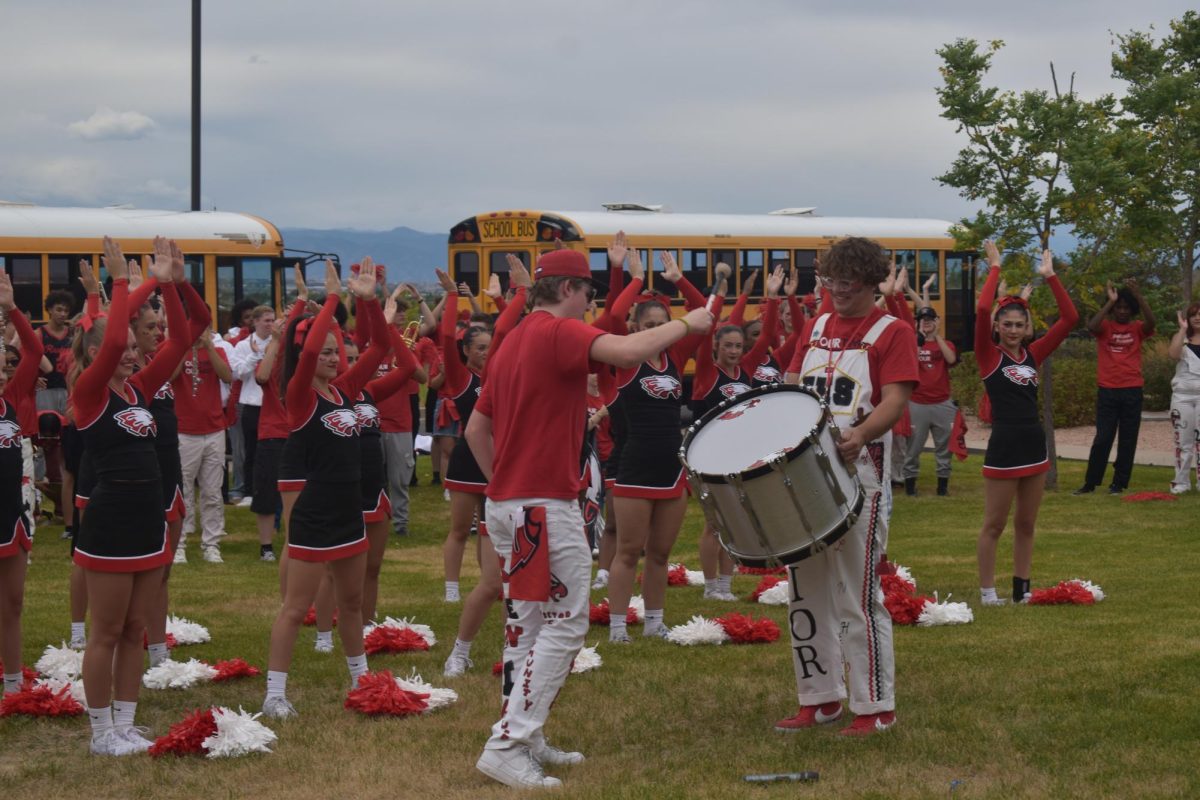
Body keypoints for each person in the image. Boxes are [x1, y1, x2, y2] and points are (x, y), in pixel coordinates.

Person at [466, 248, 713, 789]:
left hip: (510, 503)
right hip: (542, 504)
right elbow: (628, 350)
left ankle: (523, 734)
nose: (590, 305)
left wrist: (503, 484)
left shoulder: (509, 345)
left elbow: (474, 432)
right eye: (589, 295)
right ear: (571, 291)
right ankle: (507, 742)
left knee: (528, 624)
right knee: (565, 623)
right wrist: (688, 324)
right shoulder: (555, 331)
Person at [780, 235, 917, 737]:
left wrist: (860, 435)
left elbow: (896, 399)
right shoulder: (816, 324)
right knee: (803, 590)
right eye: (831, 281)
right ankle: (818, 698)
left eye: (848, 284)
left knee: (857, 595)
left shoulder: (892, 330)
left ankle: (876, 705)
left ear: (871, 284)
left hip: (860, 472)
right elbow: (794, 379)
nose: (837, 291)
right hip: (804, 471)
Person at [72, 236, 187, 755]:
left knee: (136, 627)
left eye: (138, 353)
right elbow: (116, 340)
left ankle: (125, 722)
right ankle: (100, 733)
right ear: (94, 355)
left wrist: (170, 285)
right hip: (111, 519)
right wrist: (122, 283)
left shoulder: (138, 389)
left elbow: (182, 342)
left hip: (148, 520)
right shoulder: (89, 394)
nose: (133, 355)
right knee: (107, 630)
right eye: (124, 351)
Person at [261, 259, 383, 719]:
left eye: (338, 352)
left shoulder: (344, 391)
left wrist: (367, 302)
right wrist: (331, 301)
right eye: (327, 352)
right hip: (315, 512)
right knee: (296, 609)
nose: (332, 357)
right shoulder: (299, 394)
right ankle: (275, 694)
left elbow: (382, 347)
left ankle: (361, 679)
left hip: (349, 510)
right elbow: (308, 354)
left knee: (350, 604)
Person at [605, 250, 709, 643]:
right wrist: (630, 278)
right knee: (628, 551)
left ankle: (655, 621)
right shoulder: (626, 358)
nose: (656, 331)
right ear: (636, 328)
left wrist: (678, 279)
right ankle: (618, 626)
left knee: (661, 554)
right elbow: (614, 316)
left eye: (662, 325)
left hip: (671, 463)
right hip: (635, 464)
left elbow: (701, 314)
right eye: (648, 325)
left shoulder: (675, 355)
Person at [974, 243, 1078, 605]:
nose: (1014, 330)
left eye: (1020, 325)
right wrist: (995, 268)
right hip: (1004, 444)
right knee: (994, 524)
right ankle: (988, 592)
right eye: (1008, 324)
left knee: (1027, 524)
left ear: (1027, 327)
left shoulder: (1035, 354)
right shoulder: (989, 355)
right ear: (998, 327)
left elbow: (1070, 320)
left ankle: (1022, 589)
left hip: (1034, 443)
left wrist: (1051, 277)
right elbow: (985, 306)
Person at [691, 263, 781, 600]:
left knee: (736, 521)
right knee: (714, 523)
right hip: (709, 455)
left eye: (738, 346)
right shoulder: (706, 374)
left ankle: (726, 586)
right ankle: (711, 586)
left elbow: (768, 336)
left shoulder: (745, 370)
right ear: (716, 347)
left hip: (740, 454)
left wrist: (771, 298)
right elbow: (704, 334)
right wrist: (719, 294)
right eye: (727, 345)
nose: (733, 351)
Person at [1, 271, 43, 696]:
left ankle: (13, 685)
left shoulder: (11, 400)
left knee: (12, 603)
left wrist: (11, 308)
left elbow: (34, 349)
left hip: (11, 514)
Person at [1075, 280, 1155, 496]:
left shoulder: (1137, 328)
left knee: (1127, 440)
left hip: (1132, 391)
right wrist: (1109, 302)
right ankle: (1090, 483)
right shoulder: (1105, 328)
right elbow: (1091, 326)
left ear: (1132, 310)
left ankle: (1119, 484)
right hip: (1108, 391)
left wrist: (1139, 296)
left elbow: (1151, 322)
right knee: (1102, 438)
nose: (1121, 311)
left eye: (1125, 307)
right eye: (1118, 307)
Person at [174, 321, 232, 563]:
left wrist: (208, 347)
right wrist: (182, 348)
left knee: (212, 490)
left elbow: (228, 376)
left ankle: (211, 543)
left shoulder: (217, 351)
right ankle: (179, 544)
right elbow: (169, 376)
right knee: (183, 489)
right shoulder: (177, 351)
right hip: (185, 429)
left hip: (214, 428)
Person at [901, 305, 959, 496]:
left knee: (944, 448)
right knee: (913, 448)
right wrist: (919, 338)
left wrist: (937, 334)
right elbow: (909, 363)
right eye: (922, 320)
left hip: (942, 402)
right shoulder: (913, 343)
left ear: (936, 321)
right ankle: (910, 486)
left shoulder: (946, 344)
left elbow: (951, 359)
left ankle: (942, 487)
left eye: (930, 319)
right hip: (917, 402)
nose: (926, 323)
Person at [1168, 303, 1200, 493]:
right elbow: (1173, 354)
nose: (1197, 318)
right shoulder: (1182, 340)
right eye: (1193, 315)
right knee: (1183, 441)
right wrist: (1182, 330)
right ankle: (1181, 482)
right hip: (1182, 397)